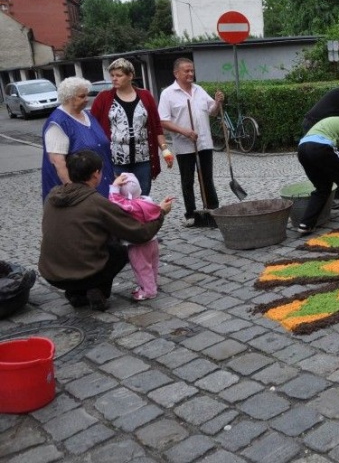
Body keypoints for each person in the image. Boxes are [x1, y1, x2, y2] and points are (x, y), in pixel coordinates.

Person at [38, 150, 173, 311]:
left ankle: (77, 293)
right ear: (96, 174)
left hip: (51, 274)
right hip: (86, 273)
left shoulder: (52, 197)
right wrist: (160, 213)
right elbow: (139, 234)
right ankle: (97, 289)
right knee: (122, 248)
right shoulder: (96, 202)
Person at [91, 58, 173, 196]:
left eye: (119, 75)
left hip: (143, 158)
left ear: (130, 76)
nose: (114, 79)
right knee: (119, 197)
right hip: (116, 159)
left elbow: (156, 126)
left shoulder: (145, 96)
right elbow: (93, 127)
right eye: (112, 75)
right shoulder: (104, 98)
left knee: (142, 195)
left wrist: (165, 151)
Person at [157, 58, 225, 226]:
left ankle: (213, 211)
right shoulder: (168, 94)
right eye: (186, 71)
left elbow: (212, 112)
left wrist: (217, 103)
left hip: (204, 143)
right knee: (188, 180)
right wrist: (184, 131)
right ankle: (191, 214)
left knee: (207, 179)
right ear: (176, 73)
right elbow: (163, 121)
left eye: (192, 70)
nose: (190, 73)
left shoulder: (199, 89)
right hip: (184, 146)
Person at [41, 77, 115, 200]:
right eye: (82, 96)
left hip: (101, 182)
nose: (87, 99)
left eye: (87, 95)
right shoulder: (58, 123)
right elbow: (58, 162)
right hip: (79, 192)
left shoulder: (88, 115)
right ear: (68, 98)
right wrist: (74, 192)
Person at [108, 172, 165, 301]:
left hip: (138, 245)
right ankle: (152, 285)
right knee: (153, 266)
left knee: (141, 268)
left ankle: (148, 291)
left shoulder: (129, 207)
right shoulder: (146, 200)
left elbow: (113, 201)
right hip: (153, 240)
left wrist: (114, 186)